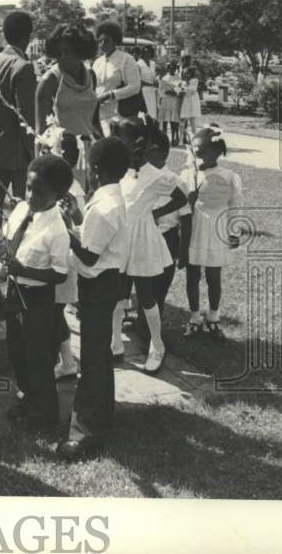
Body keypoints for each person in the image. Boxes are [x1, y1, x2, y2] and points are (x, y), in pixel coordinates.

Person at [57, 137, 131, 461]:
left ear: (96, 169)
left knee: (92, 356)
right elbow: (94, 237)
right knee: (98, 353)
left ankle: (86, 429)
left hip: (99, 284)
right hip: (105, 280)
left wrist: (66, 231)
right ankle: (103, 414)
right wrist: (76, 218)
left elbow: (87, 256)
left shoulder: (104, 207)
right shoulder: (109, 198)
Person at [0, 155, 73, 432]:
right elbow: (9, 241)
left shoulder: (57, 229)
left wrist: (24, 269)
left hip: (38, 299)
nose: (30, 195)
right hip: (15, 293)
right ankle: (29, 399)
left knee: (38, 356)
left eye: (39, 191)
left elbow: (59, 273)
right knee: (18, 351)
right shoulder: (21, 210)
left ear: (58, 194)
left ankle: (45, 412)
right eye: (28, 187)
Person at [111, 115, 188, 374]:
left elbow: (180, 198)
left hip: (143, 238)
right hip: (122, 238)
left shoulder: (156, 176)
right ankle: (115, 344)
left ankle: (158, 345)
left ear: (137, 143)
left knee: (146, 296)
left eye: (120, 140)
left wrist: (155, 213)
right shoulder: (121, 170)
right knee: (118, 293)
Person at [179, 125, 243, 338]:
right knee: (192, 276)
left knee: (214, 277)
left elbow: (235, 205)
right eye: (195, 154)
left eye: (202, 154)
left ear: (216, 153)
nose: (198, 158)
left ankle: (213, 317)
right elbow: (181, 208)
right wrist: (189, 202)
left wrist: (234, 231)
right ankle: (195, 317)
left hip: (216, 231)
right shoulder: (188, 176)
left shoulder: (229, 177)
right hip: (195, 230)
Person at [0, 11, 37, 211]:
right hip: (18, 149)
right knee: (22, 208)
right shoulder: (23, 67)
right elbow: (25, 117)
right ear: (26, 37)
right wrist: (34, 150)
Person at [34, 23, 101, 192]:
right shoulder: (50, 80)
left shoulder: (91, 76)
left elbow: (95, 121)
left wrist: (102, 149)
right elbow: (41, 131)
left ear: (82, 52)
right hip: (62, 154)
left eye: (69, 52)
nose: (63, 57)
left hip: (89, 152)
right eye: (59, 52)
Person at [141, 130, 192, 352]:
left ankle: (151, 336)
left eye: (147, 150)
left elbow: (187, 218)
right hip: (143, 238)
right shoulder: (141, 177)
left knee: (158, 289)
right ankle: (144, 327)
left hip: (167, 238)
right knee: (144, 286)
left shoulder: (175, 181)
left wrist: (184, 251)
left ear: (159, 153)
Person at [53, 132, 84, 381]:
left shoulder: (73, 190)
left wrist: (69, 216)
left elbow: (80, 224)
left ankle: (68, 361)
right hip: (54, 254)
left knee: (56, 312)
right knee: (54, 312)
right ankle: (65, 359)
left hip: (64, 258)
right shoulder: (56, 184)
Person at [92, 20, 142, 135]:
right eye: (100, 41)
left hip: (120, 115)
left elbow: (135, 86)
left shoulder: (126, 59)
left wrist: (111, 95)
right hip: (98, 115)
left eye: (106, 40)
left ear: (115, 40)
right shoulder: (97, 62)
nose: (102, 44)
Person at [157, 62, 183, 146]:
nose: (172, 69)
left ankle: (173, 138)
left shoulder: (178, 78)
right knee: (165, 120)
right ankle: (164, 138)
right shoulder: (164, 78)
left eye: (174, 68)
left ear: (176, 69)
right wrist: (167, 92)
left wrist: (174, 92)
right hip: (166, 100)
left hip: (174, 101)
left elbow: (179, 90)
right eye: (170, 68)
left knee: (174, 121)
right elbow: (161, 91)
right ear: (168, 68)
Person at [178, 56, 202, 145]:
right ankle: (181, 139)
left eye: (188, 73)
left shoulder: (195, 80)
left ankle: (194, 139)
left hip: (193, 101)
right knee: (183, 119)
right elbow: (181, 90)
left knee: (192, 120)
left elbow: (193, 90)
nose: (187, 75)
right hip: (186, 101)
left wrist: (186, 85)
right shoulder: (183, 82)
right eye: (185, 74)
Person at [137, 46, 158, 117]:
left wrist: (156, 81)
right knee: (144, 113)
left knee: (152, 113)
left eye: (149, 52)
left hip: (152, 92)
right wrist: (151, 84)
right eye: (145, 52)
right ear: (142, 53)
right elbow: (139, 81)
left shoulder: (153, 63)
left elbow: (154, 77)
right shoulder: (138, 64)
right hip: (143, 92)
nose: (147, 53)